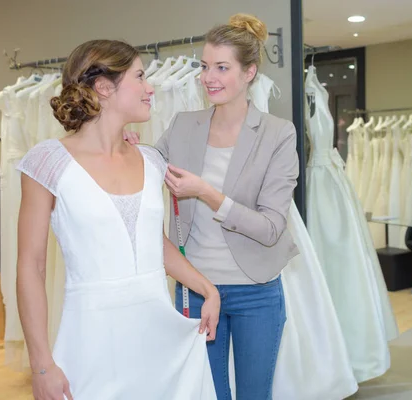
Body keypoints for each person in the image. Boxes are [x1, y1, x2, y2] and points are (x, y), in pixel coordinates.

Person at [16, 40, 219, 400]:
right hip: (92, 343)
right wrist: (41, 364)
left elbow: (152, 243)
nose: (150, 87)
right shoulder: (46, 162)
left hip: (158, 340)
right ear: (104, 87)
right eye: (140, 77)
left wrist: (206, 286)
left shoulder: (151, 160)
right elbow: (31, 267)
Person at [126, 13, 299, 400]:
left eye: (222, 67)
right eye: (205, 66)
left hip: (257, 290)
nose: (209, 77)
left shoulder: (277, 134)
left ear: (249, 72)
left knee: (255, 394)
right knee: (205, 394)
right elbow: (145, 175)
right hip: (196, 289)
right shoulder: (184, 124)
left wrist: (208, 193)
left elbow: (271, 227)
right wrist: (127, 144)